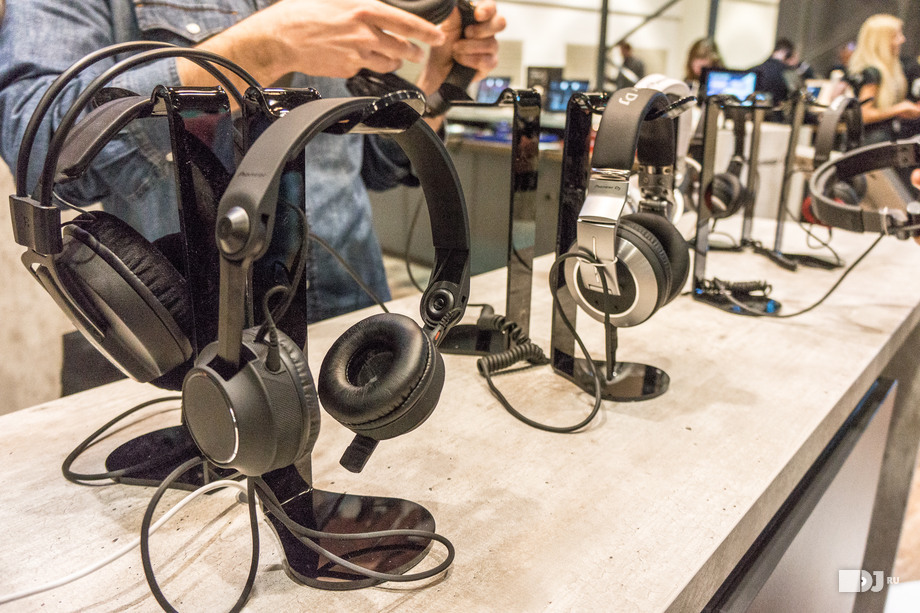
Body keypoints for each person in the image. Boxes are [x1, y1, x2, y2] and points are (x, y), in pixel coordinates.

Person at [0, 0, 505, 323]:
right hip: (184, 338)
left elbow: (371, 165)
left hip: (350, 324)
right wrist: (265, 49)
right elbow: (36, 142)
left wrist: (435, 92)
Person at [847, 13, 920, 143]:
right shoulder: (872, 73)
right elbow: (864, 115)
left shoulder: (890, 69)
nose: (902, 39)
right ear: (883, 41)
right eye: (896, 36)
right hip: (872, 142)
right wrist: (899, 108)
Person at [749, 38, 799, 111]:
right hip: (777, 115)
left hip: (753, 114)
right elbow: (795, 96)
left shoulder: (754, 70)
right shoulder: (787, 72)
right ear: (785, 53)